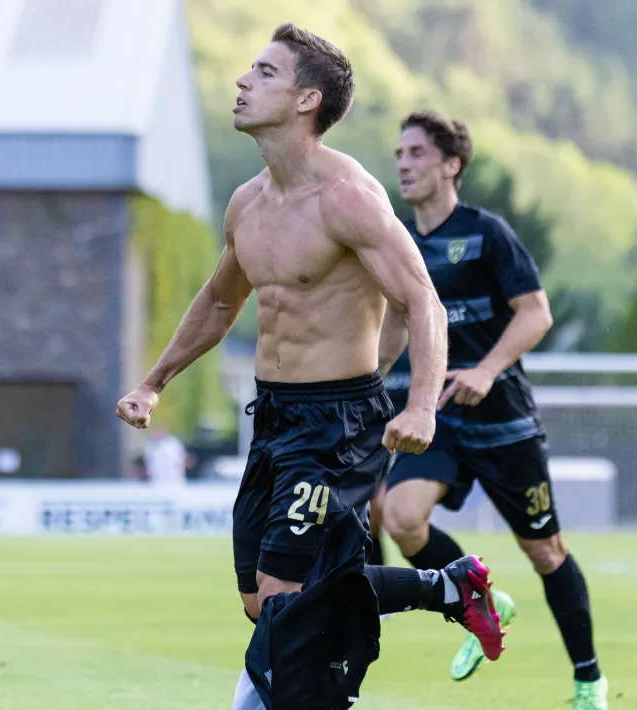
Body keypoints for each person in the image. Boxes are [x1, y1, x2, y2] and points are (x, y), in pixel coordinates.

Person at [116, 25, 504, 710]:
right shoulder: (248, 203)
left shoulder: (348, 198)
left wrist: (421, 406)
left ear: (306, 100)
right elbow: (218, 301)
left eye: (264, 72)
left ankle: (313, 694)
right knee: (256, 600)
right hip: (273, 417)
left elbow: (423, 301)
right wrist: (154, 381)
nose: (241, 81)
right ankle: (448, 587)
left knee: (281, 597)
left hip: (337, 423)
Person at [375, 110, 608, 709]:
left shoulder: (487, 234)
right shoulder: (397, 242)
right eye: (400, 153)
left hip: (503, 422)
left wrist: (485, 369)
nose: (404, 162)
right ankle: (478, 597)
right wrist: (370, 383)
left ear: (452, 165)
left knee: (546, 552)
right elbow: (397, 322)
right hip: (436, 419)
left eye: (418, 153)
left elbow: (535, 312)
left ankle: (588, 681)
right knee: (400, 518)